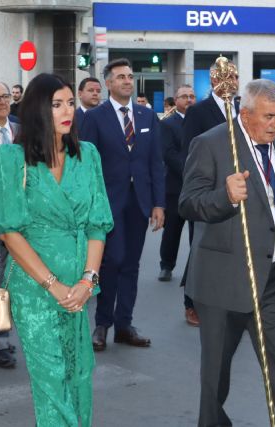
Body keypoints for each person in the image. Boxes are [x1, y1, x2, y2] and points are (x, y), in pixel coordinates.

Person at [179, 79, 275, 427]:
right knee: (216, 377)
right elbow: (188, 204)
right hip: (223, 281)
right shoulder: (211, 143)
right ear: (244, 113)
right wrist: (223, 197)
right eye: (268, 117)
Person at [0, 73, 113, 426]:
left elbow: (97, 223)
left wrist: (87, 281)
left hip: (78, 283)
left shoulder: (87, 154)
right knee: (51, 380)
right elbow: (9, 232)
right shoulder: (11, 159)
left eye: (70, 103)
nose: (67, 111)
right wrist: (53, 286)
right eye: (56, 104)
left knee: (79, 376)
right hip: (35, 288)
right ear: (36, 111)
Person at [80, 58, 165, 352]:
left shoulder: (146, 116)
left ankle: (125, 325)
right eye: (121, 77)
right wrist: (89, 204)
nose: (128, 81)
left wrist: (158, 203)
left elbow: (156, 162)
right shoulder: (94, 117)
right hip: (107, 203)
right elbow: (86, 165)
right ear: (108, 83)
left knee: (131, 264)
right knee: (112, 261)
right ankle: (102, 324)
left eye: (130, 76)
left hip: (139, 202)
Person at [178, 60, 240, 327]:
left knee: (231, 246)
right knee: (200, 247)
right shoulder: (198, 111)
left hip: (238, 188)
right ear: (213, 80)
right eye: (225, 76)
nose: (231, 81)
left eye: (235, 76)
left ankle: (228, 300)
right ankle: (191, 303)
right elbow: (188, 152)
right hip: (206, 191)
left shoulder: (242, 110)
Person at [158, 85, 200, 327]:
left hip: (197, 188)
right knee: (172, 229)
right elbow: (168, 153)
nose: (189, 99)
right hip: (175, 185)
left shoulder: (199, 121)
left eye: (192, 96)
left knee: (197, 231)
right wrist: (190, 172)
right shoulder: (168, 124)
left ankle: (194, 269)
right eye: (185, 96)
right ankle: (167, 264)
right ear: (176, 100)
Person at [0, 80, 20, 369]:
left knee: (9, 284)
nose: (2, 101)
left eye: (4, 96)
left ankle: (1, 334)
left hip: (20, 223)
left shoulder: (20, 131)